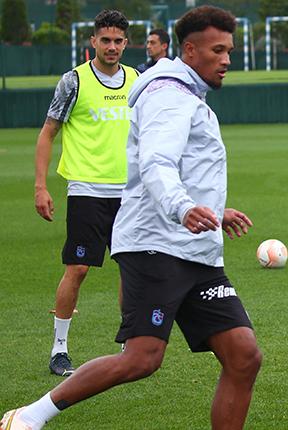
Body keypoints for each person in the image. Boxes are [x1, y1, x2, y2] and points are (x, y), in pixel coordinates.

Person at [2, 6, 262, 430]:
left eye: (230, 50)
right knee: (142, 358)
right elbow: (157, 162)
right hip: (157, 246)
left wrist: (213, 210)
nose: (227, 59)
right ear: (191, 50)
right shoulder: (168, 95)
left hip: (196, 251)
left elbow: (184, 167)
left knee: (244, 355)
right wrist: (181, 207)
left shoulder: (184, 95)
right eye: (218, 50)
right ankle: (29, 418)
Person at [33, 9, 139, 377]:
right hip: (86, 191)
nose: (111, 47)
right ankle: (59, 348)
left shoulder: (137, 80)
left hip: (130, 194)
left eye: (118, 41)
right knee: (77, 268)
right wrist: (41, 185)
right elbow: (48, 132)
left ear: (126, 43)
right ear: (93, 41)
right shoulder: (73, 81)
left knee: (132, 268)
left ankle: (130, 346)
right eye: (105, 40)